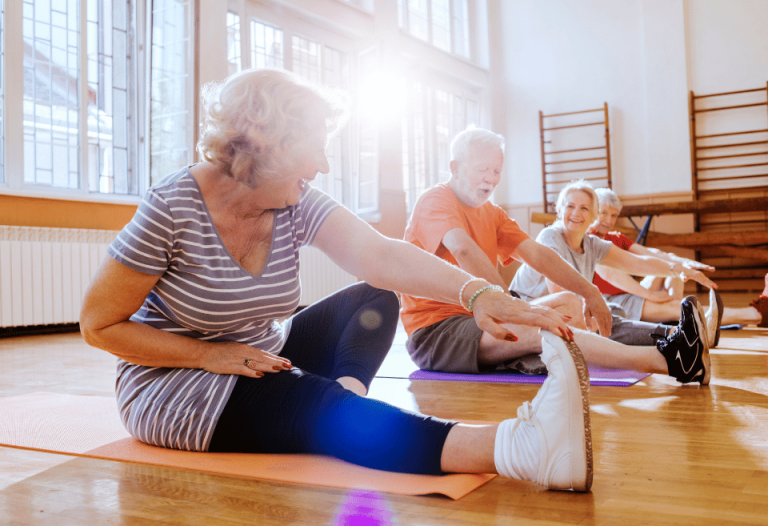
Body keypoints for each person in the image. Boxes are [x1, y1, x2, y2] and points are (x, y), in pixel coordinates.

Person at [80, 69, 602, 492]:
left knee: (373, 298)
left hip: (264, 356)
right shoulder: (172, 207)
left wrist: (480, 293)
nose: (325, 164)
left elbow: (380, 256)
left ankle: (346, 406)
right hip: (175, 385)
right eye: (315, 147)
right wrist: (207, 356)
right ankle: (524, 449)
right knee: (317, 409)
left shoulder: (294, 199)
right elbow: (99, 325)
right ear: (266, 144)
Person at [401, 128, 710, 386]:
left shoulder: (491, 214)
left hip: (480, 319)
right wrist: (508, 306)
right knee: (547, 327)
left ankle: (533, 356)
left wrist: (590, 292)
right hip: (438, 333)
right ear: (455, 168)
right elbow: (463, 248)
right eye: (482, 169)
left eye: (496, 171)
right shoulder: (435, 201)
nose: (491, 178)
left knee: (569, 303)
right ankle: (668, 361)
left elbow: (537, 254)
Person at [590, 187, 768, 342]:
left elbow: (655, 254)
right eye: (603, 213)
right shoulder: (589, 239)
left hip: (627, 293)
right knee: (676, 304)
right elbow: (611, 275)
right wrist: (651, 295)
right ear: (592, 211)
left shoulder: (616, 237)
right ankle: (756, 315)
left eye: (614, 215)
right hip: (610, 302)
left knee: (669, 269)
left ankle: (673, 316)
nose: (608, 220)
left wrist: (685, 264)